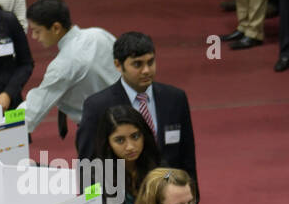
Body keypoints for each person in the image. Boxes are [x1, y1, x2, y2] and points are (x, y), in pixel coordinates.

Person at [77, 31, 198, 184]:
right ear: (118, 65)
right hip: (122, 200)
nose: (146, 70)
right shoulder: (97, 106)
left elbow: (187, 157)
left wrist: (192, 198)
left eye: (150, 62)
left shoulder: (175, 98)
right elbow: (88, 167)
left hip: (169, 197)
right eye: (137, 64)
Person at [21, 0, 117, 135]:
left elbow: (33, 110)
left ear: (56, 28)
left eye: (37, 31)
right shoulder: (98, 33)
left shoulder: (63, 65)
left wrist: (2, 125)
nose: (34, 37)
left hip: (100, 132)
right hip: (132, 114)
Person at [86, 104, 160, 204]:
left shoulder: (159, 168)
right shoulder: (96, 178)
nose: (130, 146)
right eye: (120, 140)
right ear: (108, 143)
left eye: (135, 136)